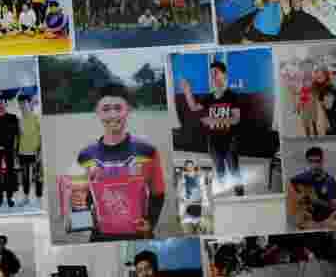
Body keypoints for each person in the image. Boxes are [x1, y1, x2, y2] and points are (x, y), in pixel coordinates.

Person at [74, 82, 166, 241]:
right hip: (100, 237)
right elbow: (82, 199)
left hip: (138, 234)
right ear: (97, 111)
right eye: (106, 109)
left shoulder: (147, 151)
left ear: (128, 109)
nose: (112, 115)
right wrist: (78, 212)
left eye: (118, 108)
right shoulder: (85, 155)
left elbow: (158, 193)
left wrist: (150, 223)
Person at [180, 61, 245, 197]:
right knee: (220, 170)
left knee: (234, 171)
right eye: (211, 74)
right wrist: (187, 91)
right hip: (214, 142)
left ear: (224, 75)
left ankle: (240, 197)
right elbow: (193, 107)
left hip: (230, 141)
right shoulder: (209, 98)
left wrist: (214, 120)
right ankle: (225, 197)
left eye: (216, 73)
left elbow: (236, 119)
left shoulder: (232, 96)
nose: (213, 77)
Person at [290, 146, 336, 224]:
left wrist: (316, 201)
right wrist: (299, 195)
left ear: (322, 161)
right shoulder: (302, 177)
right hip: (307, 218)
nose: (314, 165)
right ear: (307, 162)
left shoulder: (329, 181)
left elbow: (335, 206)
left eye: (317, 161)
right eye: (311, 161)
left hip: (322, 219)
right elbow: (292, 183)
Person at [17, 94, 42, 207]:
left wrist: (40, 151)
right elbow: (18, 137)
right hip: (22, 152)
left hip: (35, 152)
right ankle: (26, 198)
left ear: (29, 103)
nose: (22, 106)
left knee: (37, 176)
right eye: (20, 104)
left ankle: (38, 198)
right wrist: (16, 152)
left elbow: (41, 135)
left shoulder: (36, 117)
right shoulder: (19, 119)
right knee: (25, 177)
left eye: (24, 103)